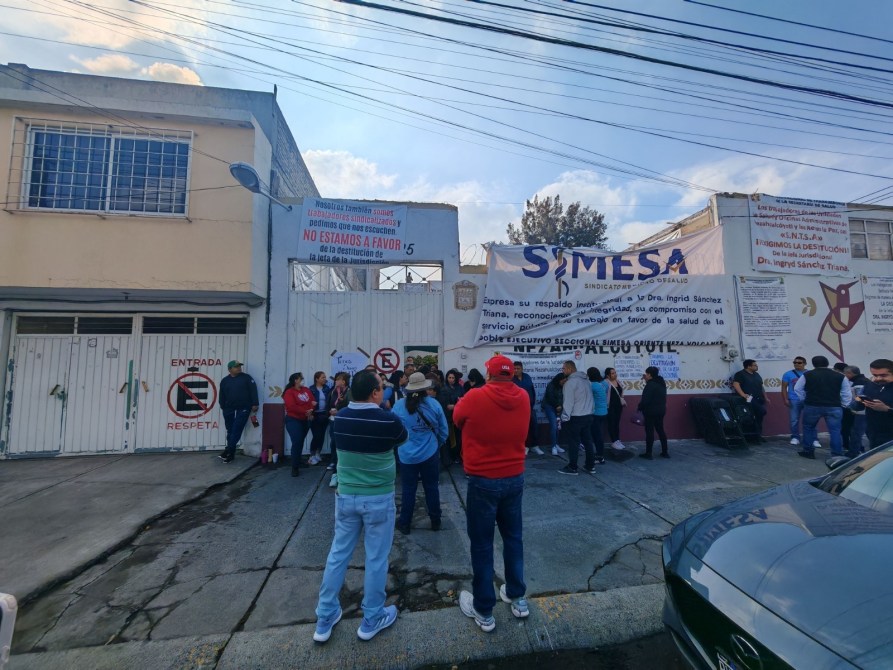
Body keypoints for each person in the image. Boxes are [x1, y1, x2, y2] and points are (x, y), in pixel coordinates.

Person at [312, 370, 408, 644]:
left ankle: (325, 615)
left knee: (338, 554)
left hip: (346, 496)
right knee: (376, 558)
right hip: (378, 498)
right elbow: (403, 438)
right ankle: (372, 617)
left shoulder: (339, 418)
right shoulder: (387, 419)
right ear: (376, 393)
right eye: (381, 387)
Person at [453, 355, 530, 632]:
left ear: (489, 373)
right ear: (511, 374)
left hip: (483, 480)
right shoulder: (523, 397)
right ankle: (517, 596)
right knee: (513, 538)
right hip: (514, 477)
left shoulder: (475, 396)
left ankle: (484, 609)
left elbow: (457, 418)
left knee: (482, 544)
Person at [392, 373, 448, 534]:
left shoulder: (399, 406)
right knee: (431, 487)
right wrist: (438, 443)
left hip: (407, 454)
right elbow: (443, 429)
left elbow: (395, 430)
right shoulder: (434, 404)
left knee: (408, 489)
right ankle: (435, 521)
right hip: (430, 453)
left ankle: (405, 523)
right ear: (425, 388)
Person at [793, 355, 851, 459]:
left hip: (812, 405)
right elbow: (846, 393)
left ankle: (808, 451)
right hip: (834, 406)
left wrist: (805, 399)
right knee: (835, 431)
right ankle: (837, 454)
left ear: (813, 364)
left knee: (808, 428)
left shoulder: (807, 375)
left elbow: (797, 388)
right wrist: (844, 404)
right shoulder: (840, 376)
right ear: (828, 364)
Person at [558, 360, 598, 475]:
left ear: (570, 369)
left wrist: (564, 418)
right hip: (588, 415)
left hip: (576, 417)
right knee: (588, 442)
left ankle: (572, 467)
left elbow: (568, 403)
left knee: (573, 443)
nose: (563, 370)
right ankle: (590, 466)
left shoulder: (570, 383)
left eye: (564, 368)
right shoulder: (586, 381)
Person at [218, 360, 259, 463]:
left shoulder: (246, 378)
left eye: (239, 366)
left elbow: (253, 390)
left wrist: (255, 403)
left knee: (236, 429)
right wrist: (223, 406)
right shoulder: (225, 381)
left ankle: (230, 453)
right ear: (230, 369)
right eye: (236, 367)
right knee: (230, 430)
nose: (239, 368)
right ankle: (228, 450)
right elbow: (221, 395)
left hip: (243, 408)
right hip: (229, 409)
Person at [854, 359, 893, 449]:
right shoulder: (869, 385)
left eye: (883, 375)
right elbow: (857, 406)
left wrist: (887, 409)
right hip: (873, 434)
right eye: (875, 375)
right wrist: (859, 401)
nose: (878, 378)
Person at [283, 372, 315, 477]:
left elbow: (313, 401)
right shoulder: (289, 392)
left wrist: (311, 409)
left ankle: (298, 460)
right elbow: (291, 406)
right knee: (297, 441)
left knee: (300, 441)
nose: (303, 380)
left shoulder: (306, 390)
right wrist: (307, 411)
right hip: (293, 420)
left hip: (305, 420)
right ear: (295, 380)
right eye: (301, 378)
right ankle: (294, 467)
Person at [731, 359, 769, 441]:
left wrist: (765, 397)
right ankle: (751, 435)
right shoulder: (740, 374)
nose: (757, 366)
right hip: (749, 399)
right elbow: (736, 384)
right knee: (761, 411)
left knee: (759, 416)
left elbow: (761, 386)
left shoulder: (756, 374)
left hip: (759, 398)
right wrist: (743, 395)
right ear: (748, 366)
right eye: (755, 365)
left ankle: (758, 435)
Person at [325, 372, 351, 488]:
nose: (335, 381)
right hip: (333, 420)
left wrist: (338, 411)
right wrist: (330, 411)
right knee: (334, 444)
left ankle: (341, 473)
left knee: (342, 447)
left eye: (337, 379)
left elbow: (350, 407)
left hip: (344, 422)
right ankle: (335, 473)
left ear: (343, 381)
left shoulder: (350, 392)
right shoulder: (333, 391)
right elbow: (329, 403)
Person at [638, 366, 669, 459]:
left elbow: (645, 400)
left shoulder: (650, 385)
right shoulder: (661, 383)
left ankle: (649, 453)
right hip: (661, 410)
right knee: (660, 430)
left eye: (646, 374)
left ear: (650, 375)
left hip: (650, 411)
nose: (645, 376)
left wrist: (640, 407)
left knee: (650, 431)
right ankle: (665, 452)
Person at [512, 361, 541, 455]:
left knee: (534, 425)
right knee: (522, 428)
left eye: (518, 368)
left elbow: (532, 390)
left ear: (522, 369)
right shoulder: (511, 379)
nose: (516, 370)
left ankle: (534, 446)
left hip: (529, 407)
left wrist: (532, 404)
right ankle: (524, 446)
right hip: (517, 409)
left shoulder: (527, 377)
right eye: (514, 368)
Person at [439, 369, 465, 462]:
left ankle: (457, 456)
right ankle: (452, 457)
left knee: (459, 438)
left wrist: (455, 405)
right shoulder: (444, 389)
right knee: (451, 439)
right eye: (449, 377)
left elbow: (464, 400)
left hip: (458, 415)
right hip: (449, 417)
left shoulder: (459, 387)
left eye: (453, 377)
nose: (451, 379)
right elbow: (446, 406)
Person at [843, 365, 870, 456]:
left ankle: (854, 452)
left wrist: (853, 408)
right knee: (866, 431)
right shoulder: (863, 380)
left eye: (845, 373)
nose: (844, 375)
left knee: (856, 432)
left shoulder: (859, 383)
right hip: (865, 411)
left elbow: (861, 398)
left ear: (850, 373)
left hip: (861, 412)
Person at [781, 356, 807, 446]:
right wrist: (785, 399)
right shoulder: (788, 374)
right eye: (795, 362)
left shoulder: (810, 373)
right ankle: (795, 437)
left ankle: (813, 438)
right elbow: (784, 387)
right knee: (794, 420)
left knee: (810, 420)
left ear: (804, 364)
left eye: (799, 363)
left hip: (808, 399)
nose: (796, 364)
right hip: (794, 399)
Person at [308, 371, 331, 465]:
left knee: (322, 435)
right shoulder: (311, 389)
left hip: (324, 415)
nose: (325, 379)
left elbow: (329, 401)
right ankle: (312, 454)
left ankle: (318, 453)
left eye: (325, 377)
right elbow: (308, 401)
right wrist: (310, 413)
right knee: (316, 435)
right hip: (315, 415)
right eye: (322, 377)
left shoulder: (327, 388)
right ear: (317, 379)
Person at [541, 372, 566, 456]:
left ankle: (556, 444)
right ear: (559, 380)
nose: (564, 383)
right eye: (563, 381)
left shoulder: (565, 386)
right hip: (550, 406)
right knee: (554, 425)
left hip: (559, 407)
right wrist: (557, 405)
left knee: (558, 426)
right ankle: (553, 446)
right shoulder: (551, 385)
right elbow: (550, 397)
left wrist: (560, 406)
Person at [587, 367, 608, 463]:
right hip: (604, 412)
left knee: (597, 435)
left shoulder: (592, 386)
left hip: (595, 413)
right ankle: (600, 454)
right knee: (599, 434)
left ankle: (600, 456)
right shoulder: (604, 383)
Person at [603, 367, 626, 450]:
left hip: (618, 406)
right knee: (612, 423)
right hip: (610, 407)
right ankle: (614, 441)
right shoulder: (606, 382)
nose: (615, 374)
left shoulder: (618, 381)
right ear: (608, 375)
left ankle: (617, 440)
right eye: (612, 373)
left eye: (615, 372)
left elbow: (621, 392)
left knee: (616, 423)